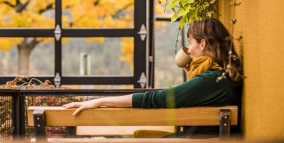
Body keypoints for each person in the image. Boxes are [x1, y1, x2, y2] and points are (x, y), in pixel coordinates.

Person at [63, 18, 243, 138]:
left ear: (202, 44)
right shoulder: (223, 77)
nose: (189, 49)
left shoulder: (211, 79)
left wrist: (101, 101)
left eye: (191, 43)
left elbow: (159, 99)